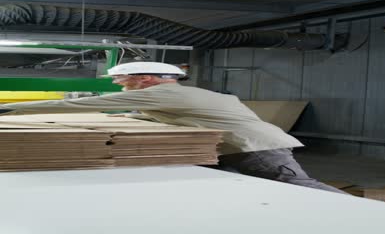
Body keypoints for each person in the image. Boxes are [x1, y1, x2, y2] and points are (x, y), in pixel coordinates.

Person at [1, 62, 345, 194]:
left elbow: (73, 105)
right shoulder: (187, 94)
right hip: (242, 145)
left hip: (254, 149)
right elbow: (180, 116)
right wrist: (134, 117)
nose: (121, 88)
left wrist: (7, 108)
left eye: (123, 83)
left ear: (145, 79)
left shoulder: (160, 93)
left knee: (299, 187)